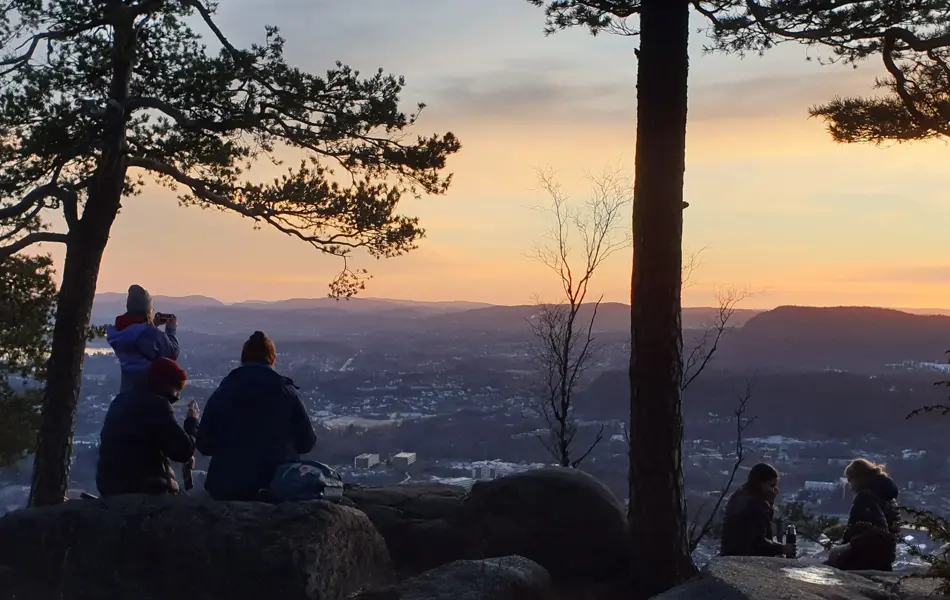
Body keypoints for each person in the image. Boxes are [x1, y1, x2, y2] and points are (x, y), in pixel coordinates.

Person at [196, 331, 317, 501]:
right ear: (272, 360)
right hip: (276, 487)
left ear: (243, 359)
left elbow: (204, 445)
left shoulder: (223, 392)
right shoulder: (286, 393)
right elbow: (306, 443)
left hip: (227, 487)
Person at [96, 357, 200, 497]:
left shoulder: (119, 401)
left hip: (108, 485)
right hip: (145, 486)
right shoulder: (157, 405)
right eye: (178, 388)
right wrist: (192, 421)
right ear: (167, 384)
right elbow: (183, 451)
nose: (178, 395)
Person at [826, 459, 900, 571]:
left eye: (850, 479)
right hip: (883, 559)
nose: (849, 485)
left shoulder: (866, 497)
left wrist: (846, 547)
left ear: (859, 478)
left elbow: (878, 533)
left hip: (864, 558)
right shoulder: (887, 497)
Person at [106, 284, 180, 393]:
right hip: (149, 392)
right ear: (147, 311)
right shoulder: (149, 333)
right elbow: (173, 352)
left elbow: (136, 335)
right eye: (151, 309)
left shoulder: (119, 332)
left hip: (127, 391)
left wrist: (153, 324)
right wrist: (171, 329)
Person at [720, 463, 796, 558]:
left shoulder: (741, 495)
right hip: (744, 559)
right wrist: (782, 549)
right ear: (760, 484)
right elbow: (757, 542)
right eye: (771, 485)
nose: (775, 490)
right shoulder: (755, 504)